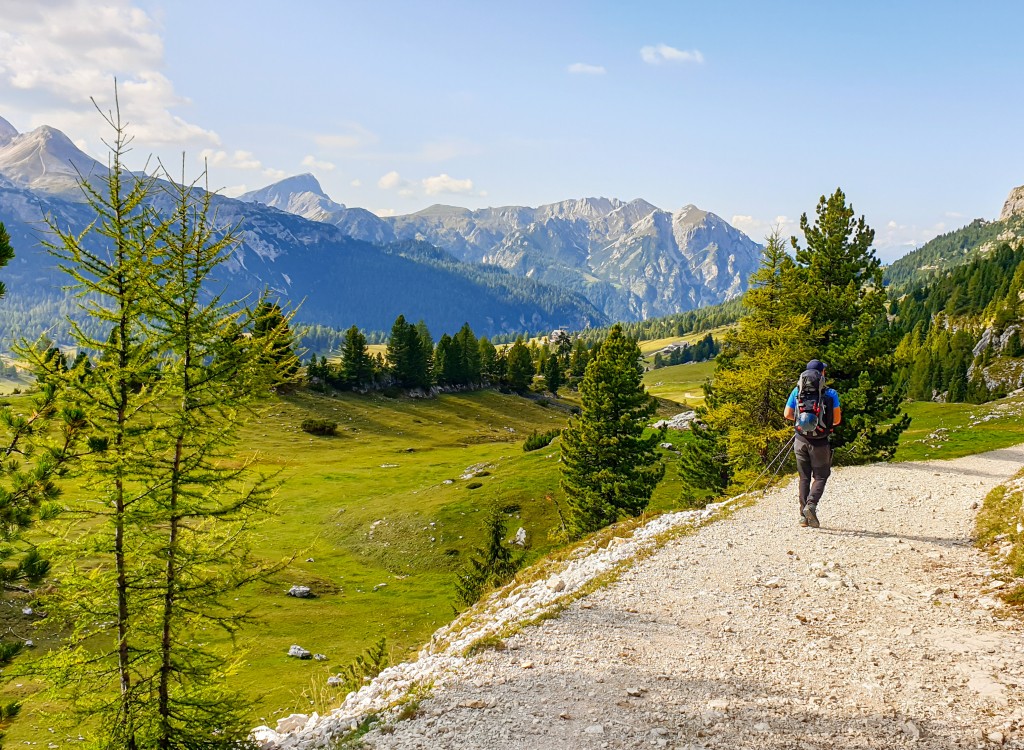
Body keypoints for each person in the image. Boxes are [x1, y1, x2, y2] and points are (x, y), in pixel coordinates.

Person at [784, 359, 841, 528]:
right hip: (820, 442)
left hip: (800, 440)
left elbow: (787, 414)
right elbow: (837, 420)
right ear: (821, 373)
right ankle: (811, 505)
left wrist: (802, 421)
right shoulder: (831, 393)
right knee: (821, 476)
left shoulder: (797, 391)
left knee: (804, 477)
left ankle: (803, 517)